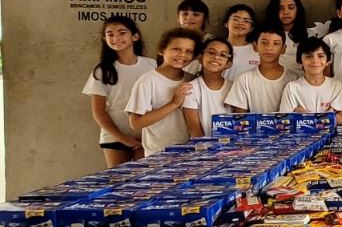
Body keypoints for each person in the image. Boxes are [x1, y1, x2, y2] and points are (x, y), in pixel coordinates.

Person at [82, 16, 155, 167]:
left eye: (122, 33)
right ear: (105, 39)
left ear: (135, 36)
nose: (116, 38)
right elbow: (98, 112)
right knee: (118, 180)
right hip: (114, 137)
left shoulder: (151, 65)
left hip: (146, 135)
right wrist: (122, 138)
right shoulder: (103, 71)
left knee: (146, 178)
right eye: (110, 34)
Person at [125, 28, 201, 156]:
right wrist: (174, 103)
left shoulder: (191, 80)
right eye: (176, 49)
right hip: (158, 153)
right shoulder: (147, 81)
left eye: (188, 51)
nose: (182, 55)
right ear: (162, 50)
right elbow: (136, 123)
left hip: (188, 151)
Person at [225, 26, 300, 113]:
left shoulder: (294, 79)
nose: (269, 48)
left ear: (283, 49)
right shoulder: (244, 79)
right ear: (255, 46)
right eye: (264, 42)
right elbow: (240, 116)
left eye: (276, 43)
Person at [279, 37, 342, 125]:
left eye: (320, 56)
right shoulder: (292, 87)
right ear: (300, 61)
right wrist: (328, 116)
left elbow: (341, 119)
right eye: (308, 56)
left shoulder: (336, 86)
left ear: (328, 61)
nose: (315, 61)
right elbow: (284, 121)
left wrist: (305, 116)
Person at [183, 37, 234, 137]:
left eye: (223, 55)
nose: (216, 57)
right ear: (200, 57)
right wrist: (207, 145)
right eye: (211, 52)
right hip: (203, 144)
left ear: (228, 64)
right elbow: (194, 129)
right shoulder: (191, 89)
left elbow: (241, 121)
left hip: (232, 144)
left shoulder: (234, 87)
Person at [265, 0, 308, 74]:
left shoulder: (309, 35)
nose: (286, 12)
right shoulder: (264, 36)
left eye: (291, 8)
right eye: (280, 8)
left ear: (298, 10)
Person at [222, 4, 260, 81]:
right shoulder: (216, 47)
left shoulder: (257, 50)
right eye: (236, 19)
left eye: (246, 21)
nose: (240, 23)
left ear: (251, 28)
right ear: (226, 23)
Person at [177, 0, 211, 75]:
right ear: (178, 18)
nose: (189, 18)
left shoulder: (212, 43)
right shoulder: (172, 41)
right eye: (185, 14)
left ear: (205, 19)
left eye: (196, 14)